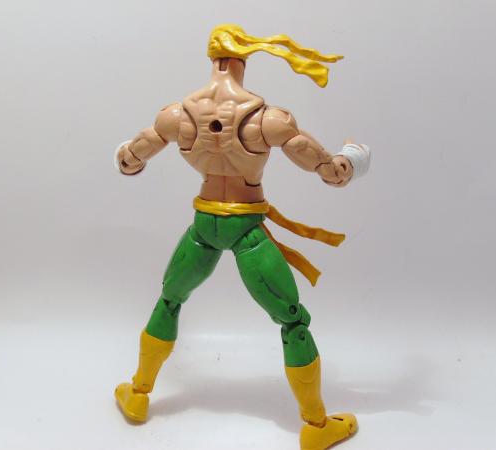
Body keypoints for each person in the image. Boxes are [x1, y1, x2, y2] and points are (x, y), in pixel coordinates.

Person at [114, 24, 370, 450]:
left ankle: (138, 395)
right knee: (292, 321)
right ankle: (316, 425)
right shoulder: (267, 119)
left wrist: (126, 154)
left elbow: (129, 161)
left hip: (204, 226)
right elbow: (331, 173)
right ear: (243, 59)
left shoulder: (177, 115)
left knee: (170, 300)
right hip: (246, 229)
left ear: (211, 57)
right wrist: (352, 159)